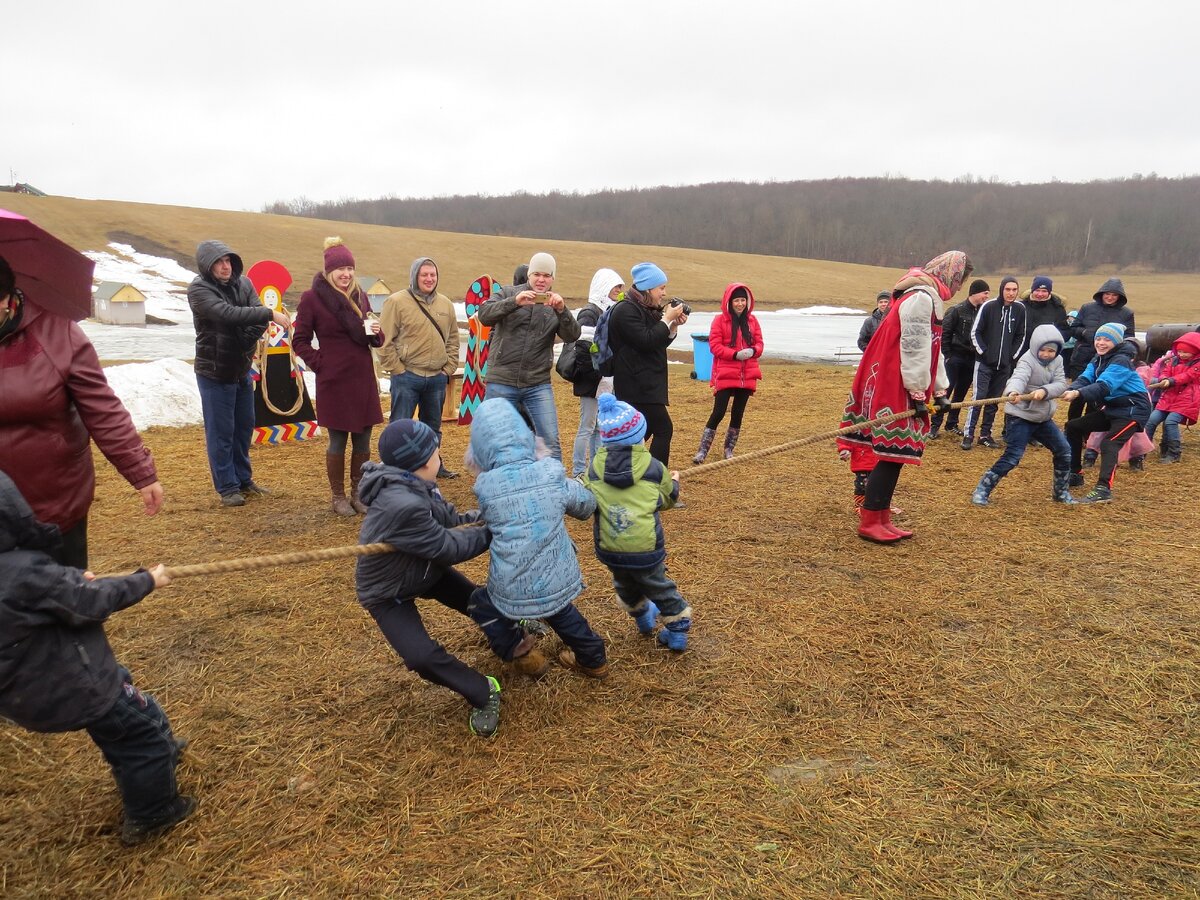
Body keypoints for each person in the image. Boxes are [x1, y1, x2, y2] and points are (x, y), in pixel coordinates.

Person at [0, 471, 191, 845]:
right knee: (140, 735)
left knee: (127, 723)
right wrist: (146, 580)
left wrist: (67, 580)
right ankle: (154, 812)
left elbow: (46, 598)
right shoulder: (24, 571)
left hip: (31, 689)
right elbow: (90, 602)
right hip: (80, 684)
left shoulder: (22, 575)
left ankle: (152, 760)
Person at [0, 254, 163, 568]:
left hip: (52, 505)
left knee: (66, 607)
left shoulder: (57, 332)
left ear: (8, 299)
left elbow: (102, 408)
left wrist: (141, 473)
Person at [353, 419, 510, 737]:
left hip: (420, 568)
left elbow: (446, 517)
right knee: (421, 657)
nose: (440, 458)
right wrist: (493, 531)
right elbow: (448, 547)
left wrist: (483, 515)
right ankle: (483, 690)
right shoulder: (403, 504)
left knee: (475, 600)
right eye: (438, 452)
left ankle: (513, 629)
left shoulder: (415, 481)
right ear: (426, 461)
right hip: (387, 591)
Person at [465, 398, 609, 678]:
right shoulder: (550, 472)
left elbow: (490, 520)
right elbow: (585, 506)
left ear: (479, 449)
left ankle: (523, 654)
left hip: (509, 584)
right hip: (556, 576)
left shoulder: (485, 487)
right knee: (563, 614)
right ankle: (594, 660)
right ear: (526, 435)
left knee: (482, 603)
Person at [840, 250, 969, 543]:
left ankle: (881, 515)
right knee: (890, 452)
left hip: (904, 381)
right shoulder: (920, 298)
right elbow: (913, 349)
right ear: (951, 275)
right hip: (892, 381)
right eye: (960, 281)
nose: (959, 288)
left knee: (897, 455)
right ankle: (870, 519)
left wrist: (940, 389)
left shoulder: (927, 298)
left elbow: (932, 350)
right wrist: (918, 390)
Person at [583, 393, 691, 650]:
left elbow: (588, 500)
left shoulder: (594, 470)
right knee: (659, 587)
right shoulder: (654, 468)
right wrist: (674, 481)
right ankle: (676, 631)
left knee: (626, 586)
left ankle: (642, 618)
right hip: (646, 548)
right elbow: (667, 499)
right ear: (639, 436)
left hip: (611, 549)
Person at [188, 240, 290, 507]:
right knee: (221, 432)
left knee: (243, 428)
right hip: (214, 372)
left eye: (228, 260)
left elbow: (254, 320)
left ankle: (244, 481)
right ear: (207, 265)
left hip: (241, 369)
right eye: (219, 261)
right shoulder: (199, 289)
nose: (225, 266)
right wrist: (269, 313)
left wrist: (247, 339)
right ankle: (227, 487)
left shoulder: (244, 283)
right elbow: (226, 314)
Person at [292, 238, 385, 516]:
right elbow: (300, 340)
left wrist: (375, 331)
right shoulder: (312, 298)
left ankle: (359, 494)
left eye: (349, 268)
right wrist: (321, 364)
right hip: (334, 379)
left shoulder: (361, 295)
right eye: (340, 269)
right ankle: (338, 497)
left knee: (364, 439)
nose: (345, 274)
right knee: (337, 440)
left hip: (362, 377)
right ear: (328, 271)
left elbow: (375, 339)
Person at [478, 252, 580, 461]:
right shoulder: (508, 292)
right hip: (501, 381)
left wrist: (562, 311)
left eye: (546, 275)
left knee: (550, 440)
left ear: (553, 278)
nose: (541, 280)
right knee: (493, 438)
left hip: (537, 384)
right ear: (529, 275)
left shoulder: (554, 304)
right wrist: (514, 302)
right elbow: (484, 315)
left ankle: (554, 486)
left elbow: (572, 335)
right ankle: (490, 485)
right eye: (536, 274)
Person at [969, 324, 1074, 506]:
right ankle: (982, 489)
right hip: (1021, 417)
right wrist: (1012, 392)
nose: (1047, 354)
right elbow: (1018, 377)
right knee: (1012, 457)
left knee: (1064, 450)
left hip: (1042, 417)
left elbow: (1060, 383)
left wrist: (1044, 391)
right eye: (1044, 350)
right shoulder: (1027, 360)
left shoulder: (1057, 361)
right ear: (1035, 347)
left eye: (1051, 351)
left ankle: (1061, 492)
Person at [378, 256, 461, 479]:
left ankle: (434, 464)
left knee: (433, 427)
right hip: (407, 375)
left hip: (436, 377)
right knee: (399, 426)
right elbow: (384, 341)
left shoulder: (445, 304)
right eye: (424, 274)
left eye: (432, 275)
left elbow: (453, 338)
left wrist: (449, 367)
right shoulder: (396, 302)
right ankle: (394, 470)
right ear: (415, 276)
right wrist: (397, 370)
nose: (429, 279)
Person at [608, 262, 689, 465]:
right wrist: (665, 319)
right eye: (661, 288)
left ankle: (622, 470)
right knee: (663, 429)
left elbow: (657, 342)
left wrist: (672, 326)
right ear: (648, 288)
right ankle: (654, 481)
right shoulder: (625, 310)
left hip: (647, 383)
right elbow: (646, 341)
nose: (664, 293)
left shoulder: (645, 308)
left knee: (641, 433)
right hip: (636, 384)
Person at [1062, 323, 1152, 504]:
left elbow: (1105, 386)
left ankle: (1104, 488)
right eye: (1098, 339)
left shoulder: (1121, 361)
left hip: (1133, 410)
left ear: (1116, 342)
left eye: (1107, 340)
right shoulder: (1098, 359)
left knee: (1110, 443)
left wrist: (1079, 394)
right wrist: (1072, 388)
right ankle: (1075, 473)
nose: (1101, 343)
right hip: (1114, 408)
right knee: (1073, 427)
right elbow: (1085, 378)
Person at [693, 282, 764, 463]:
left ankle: (728, 450)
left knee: (738, 413)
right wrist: (734, 354)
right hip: (725, 373)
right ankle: (702, 451)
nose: (740, 304)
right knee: (718, 412)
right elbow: (715, 346)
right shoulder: (719, 320)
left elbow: (760, 344)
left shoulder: (753, 321)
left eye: (743, 300)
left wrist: (753, 351)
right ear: (729, 302)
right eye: (736, 300)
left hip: (747, 374)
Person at [568, 268, 623, 478]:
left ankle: (596, 470)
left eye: (620, 287)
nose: (619, 291)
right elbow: (582, 348)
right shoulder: (590, 312)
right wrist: (593, 375)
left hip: (604, 380)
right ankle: (579, 472)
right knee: (587, 426)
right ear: (604, 286)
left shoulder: (609, 310)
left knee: (599, 427)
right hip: (591, 380)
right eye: (616, 287)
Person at [962, 276, 1026, 450]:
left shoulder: (1020, 310)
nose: (1011, 293)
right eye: (1008, 289)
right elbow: (976, 332)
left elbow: (1021, 335)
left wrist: (1011, 356)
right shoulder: (988, 307)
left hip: (1004, 365)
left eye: (1014, 290)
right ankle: (968, 434)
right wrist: (984, 352)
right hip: (984, 363)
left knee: (994, 401)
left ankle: (985, 434)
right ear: (1002, 290)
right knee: (978, 398)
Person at [930, 278, 988, 438]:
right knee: (944, 392)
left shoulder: (983, 312)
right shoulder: (956, 310)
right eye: (985, 293)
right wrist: (947, 356)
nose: (986, 297)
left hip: (971, 359)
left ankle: (952, 423)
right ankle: (934, 425)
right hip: (954, 357)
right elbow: (944, 333)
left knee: (961, 394)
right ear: (975, 293)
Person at [1144, 331, 1200, 463]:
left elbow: (1188, 376)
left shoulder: (1197, 365)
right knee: (1152, 420)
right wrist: (1164, 379)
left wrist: (1171, 381)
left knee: (1171, 422)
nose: (1181, 354)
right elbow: (1165, 372)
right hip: (1168, 397)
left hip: (1186, 399)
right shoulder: (1173, 360)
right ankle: (1143, 449)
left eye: (1185, 352)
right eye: (1179, 351)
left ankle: (1174, 452)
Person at [1020, 275, 1070, 351]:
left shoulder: (1058, 309)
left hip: (1047, 353)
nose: (1040, 294)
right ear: (1032, 290)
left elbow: (1065, 332)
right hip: (1021, 353)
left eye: (1044, 291)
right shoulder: (1020, 307)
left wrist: (1051, 339)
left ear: (1049, 292)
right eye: (1037, 290)